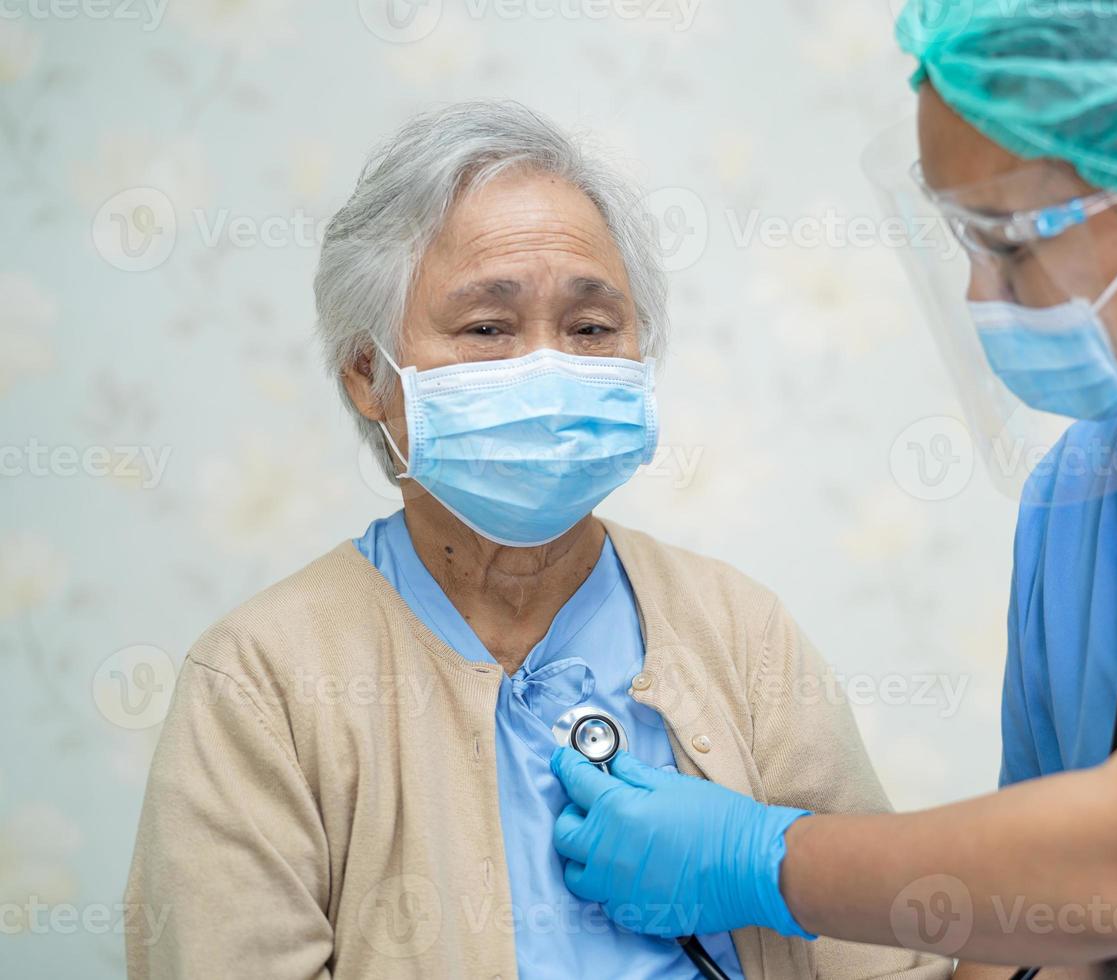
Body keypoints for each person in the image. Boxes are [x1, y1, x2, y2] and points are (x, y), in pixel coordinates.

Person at [548, 2, 1117, 976]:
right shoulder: (1082, 493)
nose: (982, 298)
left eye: (1013, 243)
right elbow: (1044, 928)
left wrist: (765, 858)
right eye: (962, 242)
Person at [123, 101, 952, 980]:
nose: (550, 367)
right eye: (488, 328)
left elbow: (888, 956)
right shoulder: (260, 687)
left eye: (592, 329)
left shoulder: (741, 633)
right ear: (369, 374)